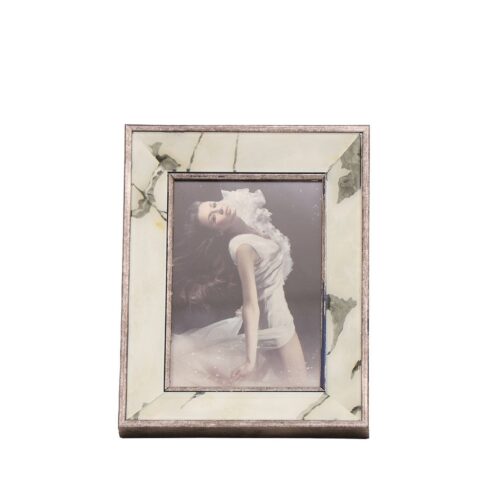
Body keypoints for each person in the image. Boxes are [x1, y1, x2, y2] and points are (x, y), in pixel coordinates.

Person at [171, 188, 311, 388]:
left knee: (293, 387)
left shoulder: (247, 217)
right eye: (213, 218)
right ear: (218, 231)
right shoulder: (242, 248)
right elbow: (250, 305)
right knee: (299, 387)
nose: (220, 210)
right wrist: (249, 361)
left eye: (214, 205)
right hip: (277, 327)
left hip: (279, 319)